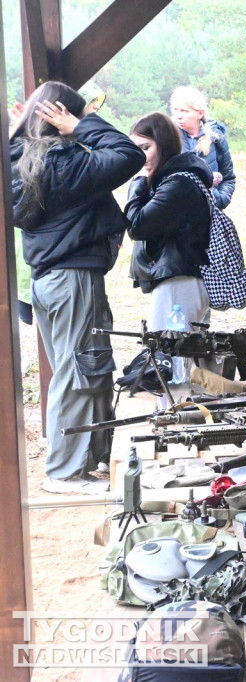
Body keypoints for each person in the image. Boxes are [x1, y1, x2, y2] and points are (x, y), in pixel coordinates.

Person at [10, 81, 145, 493]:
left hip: (48, 280)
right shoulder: (61, 163)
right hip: (72, 278)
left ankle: (86, 460)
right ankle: (66, 472)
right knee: (77, 371)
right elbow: (128, 155)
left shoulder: (20, 159)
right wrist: (81, 125)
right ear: (60, 117)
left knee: (78, 368)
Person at [125, 112, 212, 333]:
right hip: (179, 278)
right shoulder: (174, 179)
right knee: (183, 357)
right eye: (135, 150)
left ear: (164, 145)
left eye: (145, 148)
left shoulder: (177, 184)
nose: (140, 157)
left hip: (179, 281)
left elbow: (137, 226)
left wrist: (137, 185)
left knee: (173, 356)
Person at [169, 86, 235, 210]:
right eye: (176, 110)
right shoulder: (168, 138)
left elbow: (228, 178)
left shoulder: (216, 138)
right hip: (176, 215)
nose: (178, 116)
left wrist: (219, 200)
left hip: (209, 216)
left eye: (184, 111)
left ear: (200, 113)